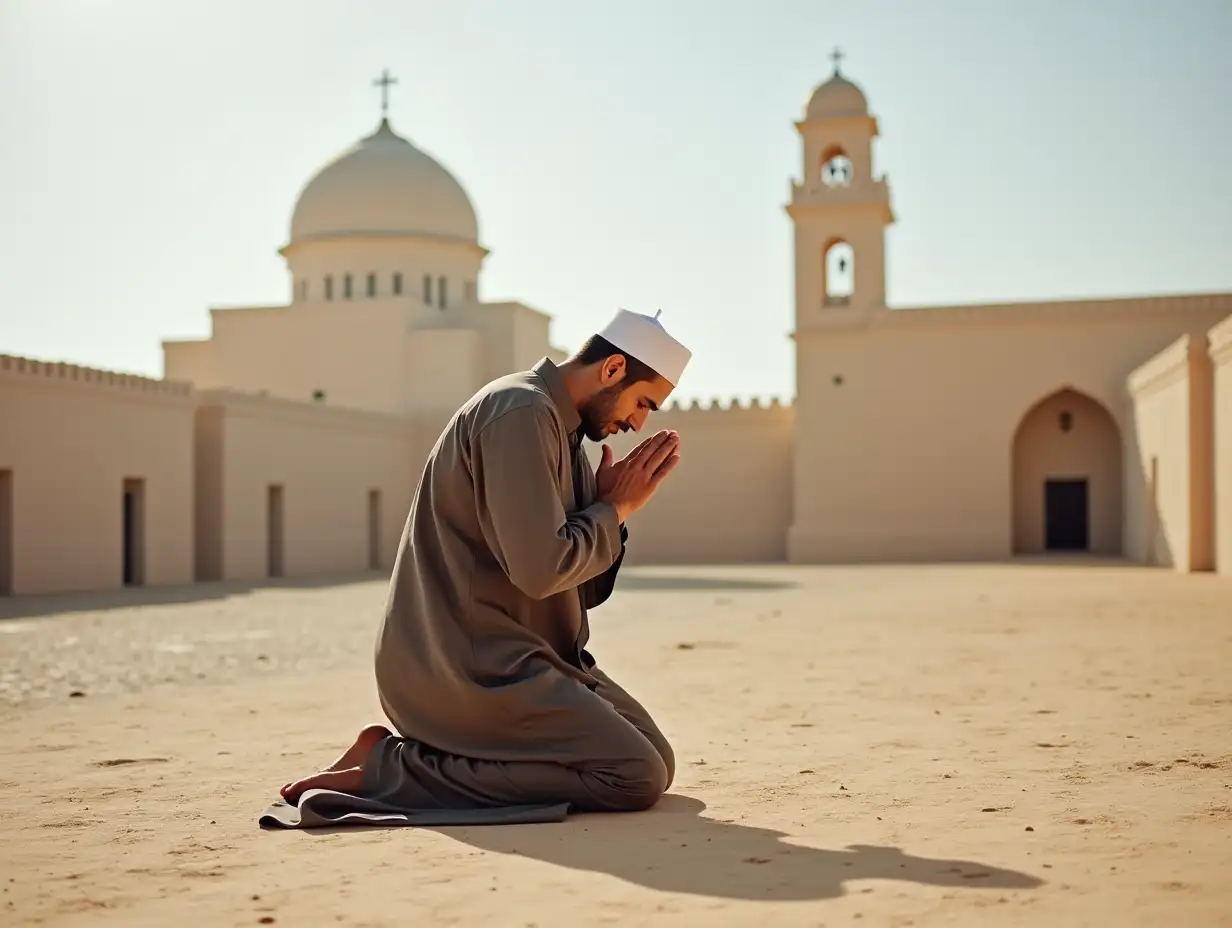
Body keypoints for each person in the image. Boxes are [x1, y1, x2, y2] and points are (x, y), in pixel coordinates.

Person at [279, 308, 692, 818]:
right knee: (633, 776)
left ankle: (408, 761)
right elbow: (542, 571)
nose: (637, 423)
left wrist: (609, 513)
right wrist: (613, 510)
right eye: (642, 402)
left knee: (656, 758)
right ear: (612, 370)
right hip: (468, 665)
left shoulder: (565, 435)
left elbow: (582, 591)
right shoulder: (519, 413)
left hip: (530, 658)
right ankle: (389, 767)